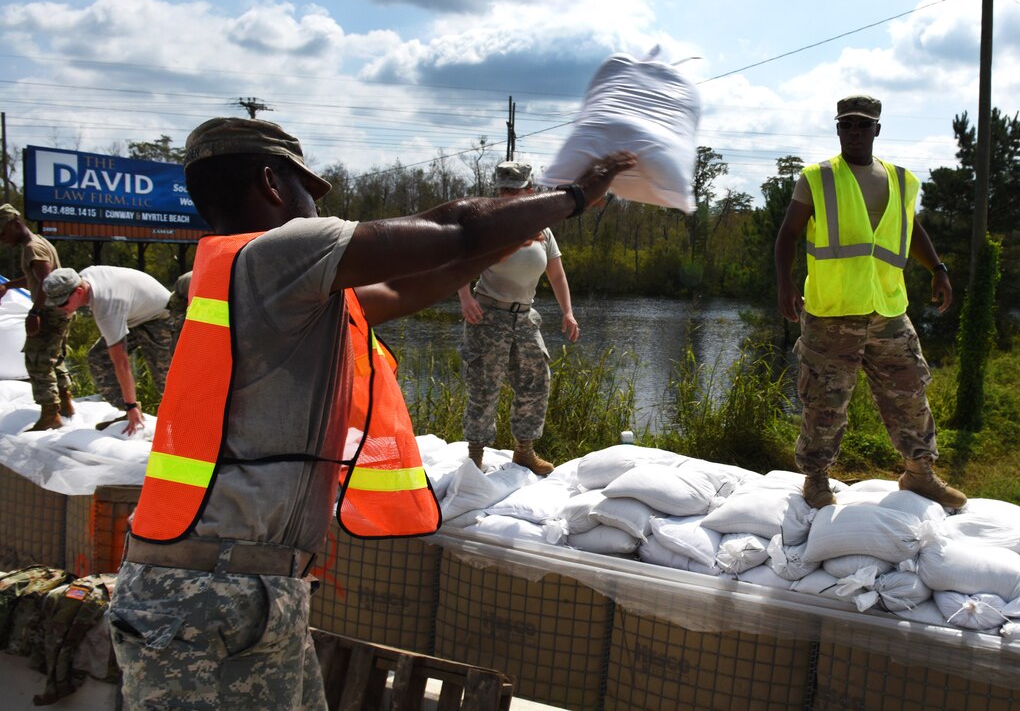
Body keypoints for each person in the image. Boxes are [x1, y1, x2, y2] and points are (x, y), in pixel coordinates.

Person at [104, 116, 636, 710]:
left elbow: (425, 279)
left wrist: (510, 237)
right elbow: (452, 228)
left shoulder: (241, 274)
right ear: (270, 183)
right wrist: (573, 196)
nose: (319, 207)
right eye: (310, 190)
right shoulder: (275, 254)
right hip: (209, 597)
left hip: (239, 589)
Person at [775, 94, 966, 511]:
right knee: (824, 399)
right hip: (832, 311)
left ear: (877, 129)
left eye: (862, 125)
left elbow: (910, 229)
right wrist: (785, 283)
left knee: (910, 391)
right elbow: (788, 233)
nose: (854, 131)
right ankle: (817, 478)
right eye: (846, 124)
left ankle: (919, 475)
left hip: (888, 309)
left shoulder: (899, 179)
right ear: (838, 128)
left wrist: (937, 268)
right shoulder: (818, 177)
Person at [457, 161, 579, 475]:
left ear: (529, 190)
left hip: (525, 318)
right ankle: (475, 457)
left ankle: (524, 451)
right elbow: (459, 261)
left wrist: (567, 311)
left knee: (536, 382)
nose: (508, 194)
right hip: (489, 316)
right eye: (503, 189)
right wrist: (465, 296)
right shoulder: (486, 224)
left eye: (515, 189)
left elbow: (557, 275)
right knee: (484, 387)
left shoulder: (542, 230)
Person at [41, 265, 172, 435]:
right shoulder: (83, 277)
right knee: (99, 358)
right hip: (133, 313)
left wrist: (131, 404)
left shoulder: (106, 308)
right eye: (55, 305)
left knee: (164, 378)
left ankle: (190, 423)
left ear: (79, 291)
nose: (60, 308)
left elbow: (121, 362)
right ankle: (129, 411)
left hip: (160, 316)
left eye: (63, 303)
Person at [0, 204, 75, 431]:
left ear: (15, 223)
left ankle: (50, 414)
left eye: (2, 233)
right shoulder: (41, 242)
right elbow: (36, 278)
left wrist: (34, 313)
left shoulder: (32, 248)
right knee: (55, 358)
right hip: (60, 309)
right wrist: (9, 286)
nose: (2, 239)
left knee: (37, 360)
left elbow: (46, 281)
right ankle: (66, 402)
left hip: (49, 311)